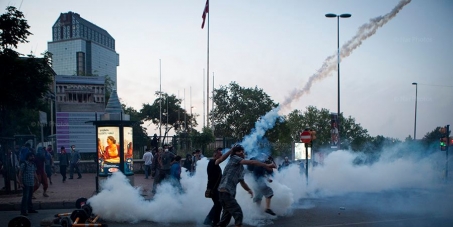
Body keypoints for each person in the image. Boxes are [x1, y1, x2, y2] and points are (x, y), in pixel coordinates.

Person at [214, 144, 276, 227]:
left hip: (228, 194)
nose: (242, 152)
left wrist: (248, 190)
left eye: (242, 151)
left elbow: (242, 181)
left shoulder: (241, 168)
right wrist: (267, 165)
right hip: (225, 191)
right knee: (238, 213)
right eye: (239, 151)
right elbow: (252, 162)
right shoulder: (234, 158)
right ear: (235, 153)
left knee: (225, 220)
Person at [203, 148, 223, 226]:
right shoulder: (212, 162)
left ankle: (209, 220)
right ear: (215, 155)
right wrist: (230, 151)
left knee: (218, 204)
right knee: (218, 205)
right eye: (220, 154)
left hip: (215, 188)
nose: (221, 156)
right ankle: (215, 222)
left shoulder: (215, 164)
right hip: (213, 189)